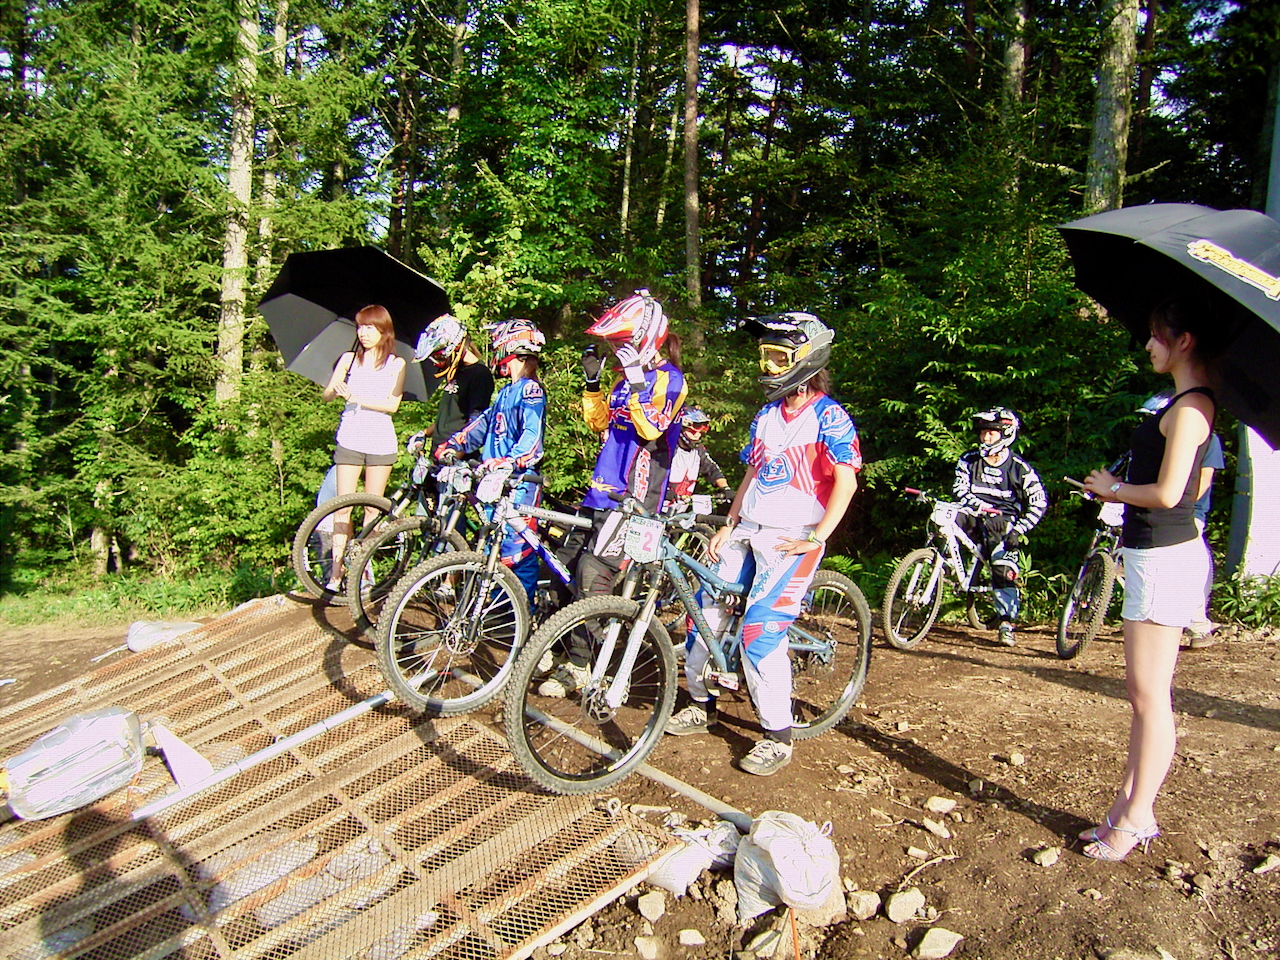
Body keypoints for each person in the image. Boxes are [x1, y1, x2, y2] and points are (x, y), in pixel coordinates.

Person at [664, 313, 862, 777]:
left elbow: (847, 482)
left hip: (793, 536)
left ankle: (777, 736)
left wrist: (816, 537)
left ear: (806, 359)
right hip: (749, 528)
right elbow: (752, 473)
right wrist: (729, 524)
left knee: (759, 634)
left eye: (778, 356)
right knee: (703, 617)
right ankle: (702, 705)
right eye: (765, 356)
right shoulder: (767, 414)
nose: (769, 365)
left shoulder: (830, 416)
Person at [1080, 298, 1217, 862]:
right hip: (1150, 554)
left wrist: (1112, 489)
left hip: (1165, 557)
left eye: (1157, 335)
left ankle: (1137, 818)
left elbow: (1169, 493)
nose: (1148, 344)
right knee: (1143, 696)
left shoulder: (1191, 408)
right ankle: (1126, 806)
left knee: (1150, 696)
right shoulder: (1186, 404)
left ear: (1184, 341)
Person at [539, 289, 687, 697]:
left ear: (645, 339)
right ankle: (554, 647)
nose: (616, 350)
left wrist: (638, 380)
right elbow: (599, 423)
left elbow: (652, 427)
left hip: (635, 498)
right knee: (564, 567)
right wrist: (592, 383)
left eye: (622, 342)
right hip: (601, 491)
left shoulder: (671, 380)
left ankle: (582, 665)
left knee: (594, 576)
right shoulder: (622, 380)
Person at [436, 319, 547, 604]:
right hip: (497, 480)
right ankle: (496, 607)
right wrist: (454, 443)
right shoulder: (506, 392)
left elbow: (532, 436)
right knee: (493, 546)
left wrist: (510, 461)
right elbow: (484, 424)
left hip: (519, 481)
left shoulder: (530, 390)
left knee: (517, 551)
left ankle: (521, 613)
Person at [320, 304, 406, 590]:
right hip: (350, 437)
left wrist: (357, 398)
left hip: (379, 440)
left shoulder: (396, 364)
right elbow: (327, 395)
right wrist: (336, 390)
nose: (364, 333)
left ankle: (363, 571)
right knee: (342, 507)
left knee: (372, 509)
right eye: (360, 327)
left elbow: (392, 405)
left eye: (370, 328)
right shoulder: (348, 359)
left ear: (384, 331)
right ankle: (336, 573)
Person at [952, 407, 1047, 646]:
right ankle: (939, 569)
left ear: (1005, 434)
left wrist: (1019, 530)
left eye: (991, 433)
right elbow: (959, 489)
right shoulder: (968, 459)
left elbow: (1039, 502)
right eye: (983, 432)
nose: (985, 438)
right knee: (943, 518)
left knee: (1003, 568)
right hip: (972, 514)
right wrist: (979, 506)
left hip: (1002, 522)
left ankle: (1006, 623)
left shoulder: (1019, 468)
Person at [413, 314, 495, 462]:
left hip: (454, 458)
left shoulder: (479, 374)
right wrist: (424, 433)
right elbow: (450, 417)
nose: (436, 362)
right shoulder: (456, 372)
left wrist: (455, 456)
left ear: (454, 348)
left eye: (438, 356)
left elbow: (476, 421)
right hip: (437, 453)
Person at [1185, 431, 1224, 648]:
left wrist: (1181, 508)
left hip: (1188, 514)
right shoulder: (1155, 434)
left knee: (1193, 569)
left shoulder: (1208, 439)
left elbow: (1204, 481)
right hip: (1155, 510)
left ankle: (1198, 626)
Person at [663, 407, 730, 512]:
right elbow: (654, 475)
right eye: (692, 431)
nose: (697, 435)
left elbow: (712, 469)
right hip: (659, 507)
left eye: (700, 432)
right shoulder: (668, 448)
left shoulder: (698, 450)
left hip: (679, 510)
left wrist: (725, 488)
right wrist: (664, 491)